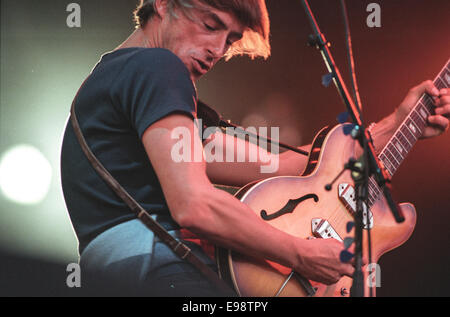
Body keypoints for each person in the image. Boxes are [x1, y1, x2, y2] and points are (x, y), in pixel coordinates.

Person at [60, 0, 449, 296]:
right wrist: (299, 253)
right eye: (211, 25)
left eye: (230, 40)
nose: (217, 51)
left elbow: (280, 166)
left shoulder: (122, 83)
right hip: (160, 267)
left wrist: (397, 123)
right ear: (163, 3)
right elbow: (194, 205)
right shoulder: (158, 68)